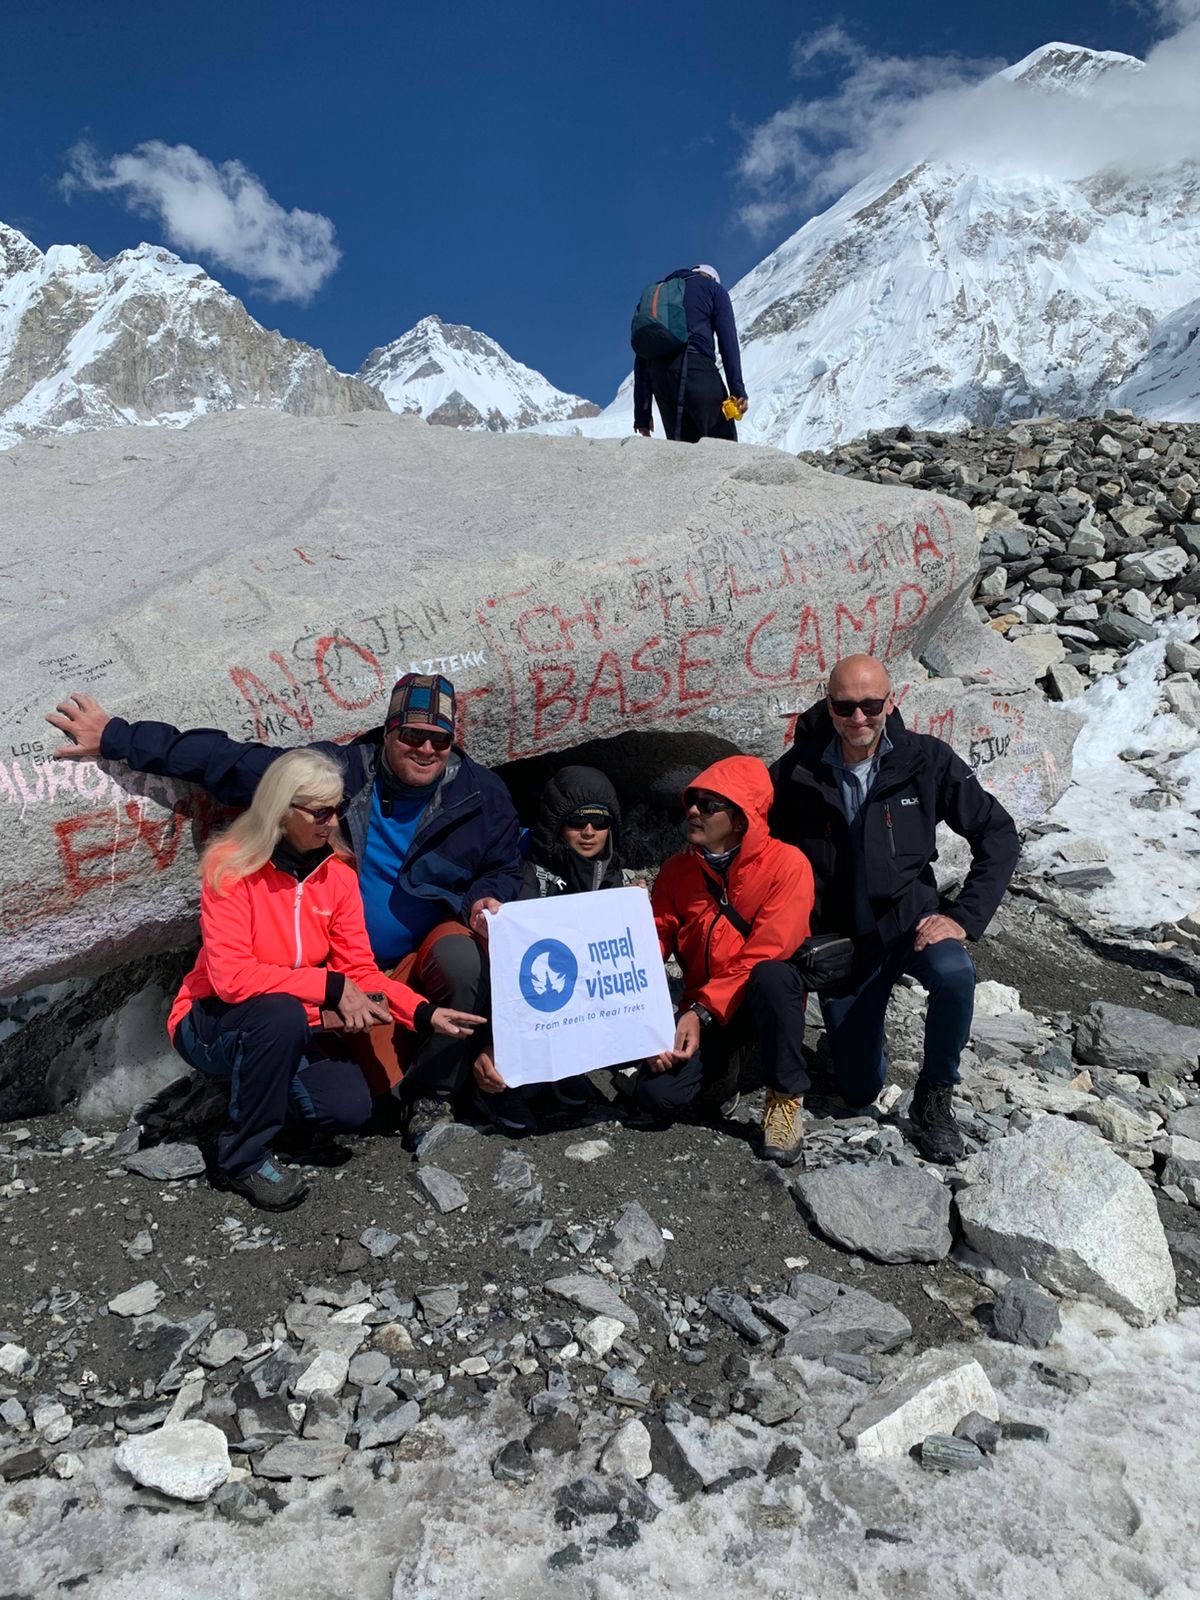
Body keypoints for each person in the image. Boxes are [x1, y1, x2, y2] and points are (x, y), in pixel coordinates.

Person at [47, 672, 523, 1149]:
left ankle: (432, 1097)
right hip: (342, 972)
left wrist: (485, 897)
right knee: (361, 1106)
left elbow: (503, 866)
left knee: (463, 960)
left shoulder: (482, 796)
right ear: (388, 732)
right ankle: (261, 1090)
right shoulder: (337, 775)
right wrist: (116, 736)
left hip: (411, 962)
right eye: (411, 735)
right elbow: (229, 760)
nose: (425, 748)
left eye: (438, 739)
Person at [167, 749, 484, 1209]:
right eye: (319, 811)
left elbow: (359, 972)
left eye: (337, 808)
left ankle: (252, 1099)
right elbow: (232, 979)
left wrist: (423, 1011)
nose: (332, 821)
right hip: (209, 1022)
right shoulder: (230, 868)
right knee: (275, 1016)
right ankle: (243, 1159)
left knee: (348, 1108)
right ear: (281, 809)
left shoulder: (336, 876)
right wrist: (329, 988)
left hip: (292, 1022)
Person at [768, 654, 1021, 1164]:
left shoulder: (925, 760)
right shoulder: (798, 771)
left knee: (954, 972)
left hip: (910, 922)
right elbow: (753, 828)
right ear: (829, 703)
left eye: (869, 704)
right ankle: (863, 1049)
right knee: (858, 1089)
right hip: (842, 940)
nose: (858, 718)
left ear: (890, 701)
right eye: (845, 706)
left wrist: (964, 917)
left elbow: (997, 833)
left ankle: (934, 1097)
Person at [635, 756, 815, 1166]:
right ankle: (726, 1071)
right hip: (703, 1009)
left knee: (773, 976)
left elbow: (767, 950)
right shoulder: (677, 871)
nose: (694, 811)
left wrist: (699, 1012)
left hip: (754, 1005)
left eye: (710, 805)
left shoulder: (787, 866)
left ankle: (784, 1098)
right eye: (693, 801)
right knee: (653, 1097)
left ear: (741, 819)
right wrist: (648, 1027)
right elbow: (652, 944)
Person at [472, 764, 624, 1135]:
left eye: (599, 822)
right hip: (516, 990)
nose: (589, 832)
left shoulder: (610, 873)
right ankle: (493, 1082)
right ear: (556, 823)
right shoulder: (522, 869)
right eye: (576, 821)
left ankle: (563, 1067)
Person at [633, 265, 748, 444]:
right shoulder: (713, 289)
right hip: (697, 369)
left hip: (661, 380)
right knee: (724, 446)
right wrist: (737, 389)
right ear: (712, 278)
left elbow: (642, 355)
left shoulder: (656, 295)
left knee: (683, 452)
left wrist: (642, 414)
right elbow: (728, 341)